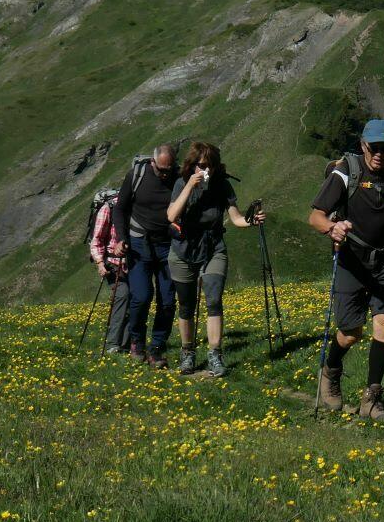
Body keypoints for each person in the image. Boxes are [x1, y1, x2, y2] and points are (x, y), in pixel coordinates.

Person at [307, 119, 384, 421]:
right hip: (351, 259)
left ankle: (372, 399)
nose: (379, 154)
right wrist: (332, 228)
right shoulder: (345, 172)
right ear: (363, 145)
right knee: (351, 333)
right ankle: (331, 370)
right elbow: (315, 216)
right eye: (374, 147)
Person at [166, 141, 265, 377]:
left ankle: (215, 355)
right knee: (186, 305)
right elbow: (171, 215)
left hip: (213, 248)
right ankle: (187, 352)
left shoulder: (222, 185)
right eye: (201, 165)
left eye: (210, 165)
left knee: (213, 299)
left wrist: (251, 221)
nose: (205, 170)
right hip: (183, 249)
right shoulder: (181, 183)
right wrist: (190, 186)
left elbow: (236, 217)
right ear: (192, 165)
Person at [116, 144, 180, 367]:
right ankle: (137, 341)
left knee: (168, 301)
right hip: (138, 243)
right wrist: (121, 238)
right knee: (141, 297)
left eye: (168, 170)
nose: (164, 174)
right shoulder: (136, 175)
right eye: (161, 170)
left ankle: (157, 348)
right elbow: (120, 208)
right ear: (153, 163)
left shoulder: (180, 178)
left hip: (168, 245)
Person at [88, 191, 129, 354]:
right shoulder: (109, 208)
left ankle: (126, 345)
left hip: (134, 263)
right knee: (123, 295)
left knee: (136, 299)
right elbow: (97, 239)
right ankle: (113, 344)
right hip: (112, 263)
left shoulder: (139, 206)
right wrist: (100, 263)